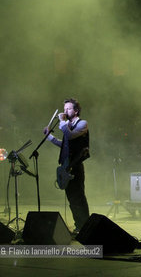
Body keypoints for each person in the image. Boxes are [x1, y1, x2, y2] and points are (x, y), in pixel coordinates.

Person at [44, 98, 90, 233]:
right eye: (64, 109)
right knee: (71, 198)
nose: (65, 111)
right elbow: (64, 143)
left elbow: (69, 136)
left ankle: (85, 226)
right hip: (66, 165)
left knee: (79, 197)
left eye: (68, 109)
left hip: (76, 165)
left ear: (76, 111)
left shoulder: (82, 124)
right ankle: (78, 225)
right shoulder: (68, 125)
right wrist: (49, 137)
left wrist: (63, 121)